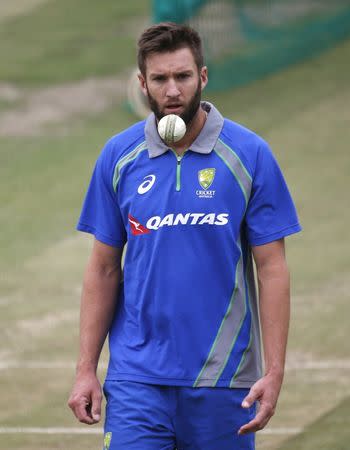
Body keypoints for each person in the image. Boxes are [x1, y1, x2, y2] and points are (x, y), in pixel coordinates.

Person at [68, 22, 301, 450]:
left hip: (224, 380)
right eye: (159, 79)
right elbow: (103, 269)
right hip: (137, 379)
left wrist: (275, 371)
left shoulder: (249, 155)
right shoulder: (119, 157)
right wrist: (86, 369)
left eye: (183, 76)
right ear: (143, 84)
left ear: (203, 77)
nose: (172, 90)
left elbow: (272, 269)